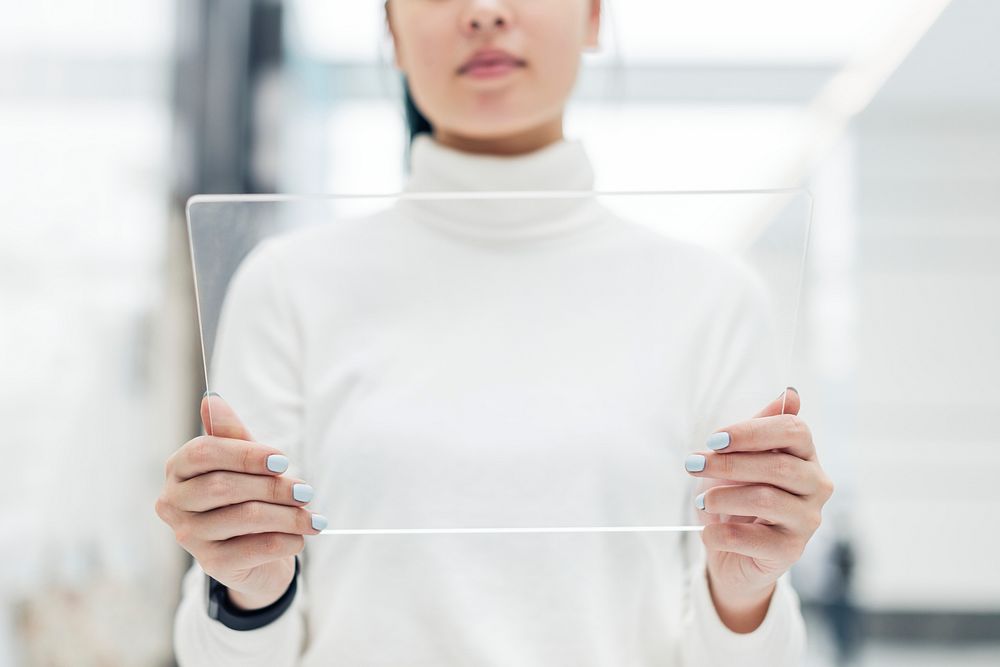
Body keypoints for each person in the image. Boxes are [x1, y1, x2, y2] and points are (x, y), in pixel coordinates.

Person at [155, 1, 834, 664]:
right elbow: (218, 656)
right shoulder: (284, 287)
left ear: (594, 14)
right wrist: (249, 586)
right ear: (389, 24)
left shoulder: (713, 301)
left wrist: (744, 588)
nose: (483, 11)